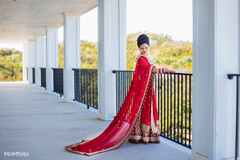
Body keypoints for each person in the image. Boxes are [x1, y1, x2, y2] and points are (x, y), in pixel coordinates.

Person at [65, 34, 174, 156]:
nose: (144, 50)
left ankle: (142, 136)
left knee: (143, 112)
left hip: (145, 92)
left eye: (146, 47)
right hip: (143, 93)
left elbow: (148, 70)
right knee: (140, 113)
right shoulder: (141, 59)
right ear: (139, 49)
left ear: (149, 47)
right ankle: (139, 136)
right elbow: (151, 70)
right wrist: (164, 70)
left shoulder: (146, 59)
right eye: (142, 48)